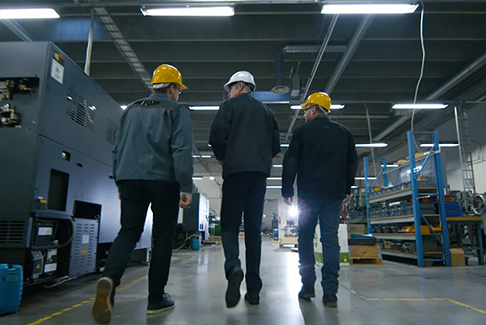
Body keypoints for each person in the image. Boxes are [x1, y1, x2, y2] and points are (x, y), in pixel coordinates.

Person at [92, 64, 193, 324]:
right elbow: (181, 150)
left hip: (129, 178)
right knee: (162, 238)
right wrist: (186, 186)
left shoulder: (130, 109)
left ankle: (110, 278)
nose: (178, 94)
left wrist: (119, 182)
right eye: (178, 90)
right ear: (171, 88)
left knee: (128, 232)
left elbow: (117, 148)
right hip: (164, 181)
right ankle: (155, 299)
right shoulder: (176, 110)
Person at [209, 71, 281, 308]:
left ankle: (233, 267)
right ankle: (253, 291)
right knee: (253, 231)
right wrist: (259, 162)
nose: (228, 92)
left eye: (230, 88)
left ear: (240, 86)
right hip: (258, 177)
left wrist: (223, 158)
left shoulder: (228, 107)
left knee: (229, 226)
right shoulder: (267, 112)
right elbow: (275, 145)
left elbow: (216, 137)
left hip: (234, 172)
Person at [281, 92, 358, 308]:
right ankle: (331, 293)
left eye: (306, 110)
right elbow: (352, 163)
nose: (305, 113)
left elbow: (291, 161)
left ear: (313, 109)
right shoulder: (344, 133)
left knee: (305, 239)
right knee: (330, 240)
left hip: (308, 195)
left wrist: (287, 188)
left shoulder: (302, 131)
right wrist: (347, 188)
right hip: (333, 195)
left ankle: (307, 287)